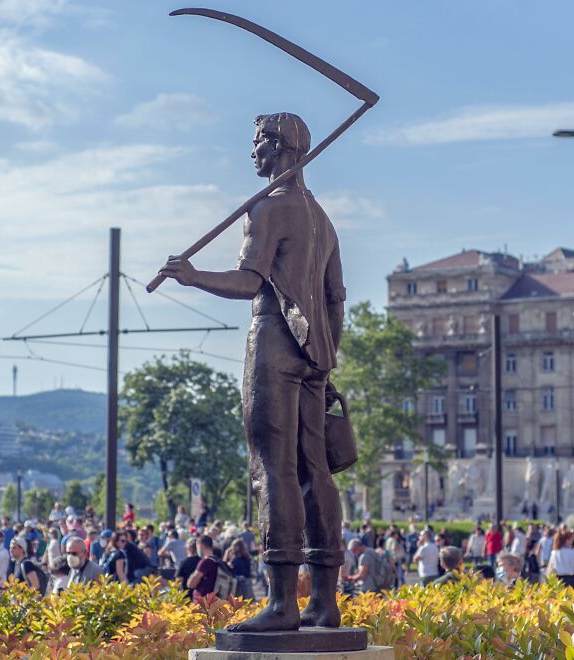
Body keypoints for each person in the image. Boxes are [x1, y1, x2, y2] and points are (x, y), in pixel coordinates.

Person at [160, 112, 347, 633]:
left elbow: (249, 282)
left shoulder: (268, 209)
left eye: (258, 142)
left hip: (273, 341)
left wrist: (193, 276)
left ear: (282, 147)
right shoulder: (323, 219)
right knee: (315, 470)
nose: (252, 153)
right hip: (315, 353)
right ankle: (325, 603)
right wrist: (326, 360)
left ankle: (283, 602)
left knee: (273, 470)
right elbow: (335, 301)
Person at [187, 535, 220, 601]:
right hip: (214, 600)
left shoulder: (205, 562)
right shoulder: (217, 560)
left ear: (200, 546)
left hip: (203, 601)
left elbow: (191, 584)